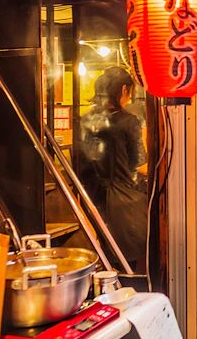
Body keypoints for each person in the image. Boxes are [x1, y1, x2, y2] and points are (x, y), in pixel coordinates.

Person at [79, 67, 148, 268]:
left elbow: (82, 163)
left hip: (94, 199)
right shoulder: (129, 121)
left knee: (105, 259)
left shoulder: (86, 120)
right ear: (124, 90)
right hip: (125, 204)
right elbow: (140, 163)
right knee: (128, 263)